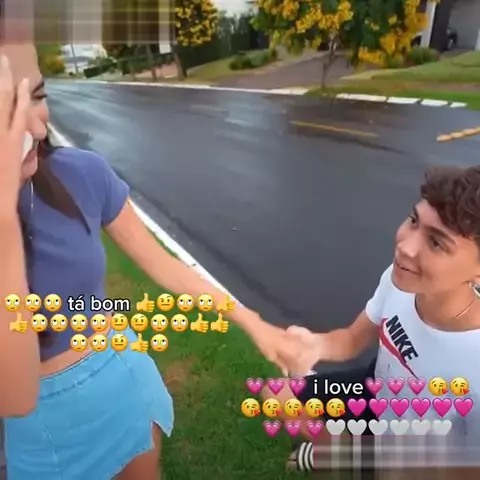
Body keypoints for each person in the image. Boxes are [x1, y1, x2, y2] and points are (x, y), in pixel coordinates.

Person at [0, 40, 303, 479]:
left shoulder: (80, 174)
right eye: (8, 109)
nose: (36, 125)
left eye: (38, 95)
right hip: (38, 428)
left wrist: (255, 324)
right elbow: (14, 395)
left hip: (120, 382)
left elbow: (163, 265)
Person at [273, 165, 480, 472]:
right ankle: (335, 451)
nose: (404, 247)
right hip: (375, 391)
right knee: (277, 396)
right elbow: (352, 339)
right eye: (413, 221)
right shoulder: (401, 281)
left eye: (436, 242)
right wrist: (315, 346)